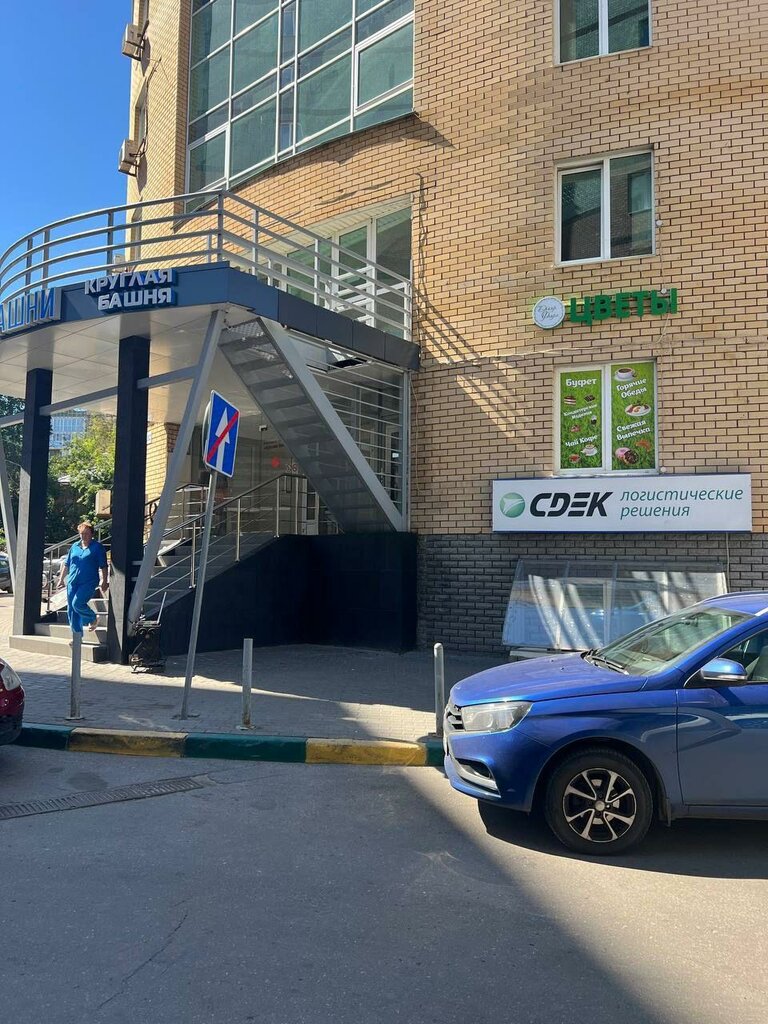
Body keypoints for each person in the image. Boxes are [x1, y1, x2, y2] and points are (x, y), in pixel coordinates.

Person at [57, 522, 109, 635]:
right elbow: (67, 564)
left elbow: (104, 566)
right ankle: (77, 636)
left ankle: (92, 618)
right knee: (71, 609)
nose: (83, 536)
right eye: (81, 533)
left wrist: (105, 581)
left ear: (92, 534)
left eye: (86, 533)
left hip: (88, 582)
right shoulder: (75, 546)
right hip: (72, 581)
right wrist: (61, 579)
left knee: (77, 603)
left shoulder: (97, 547)